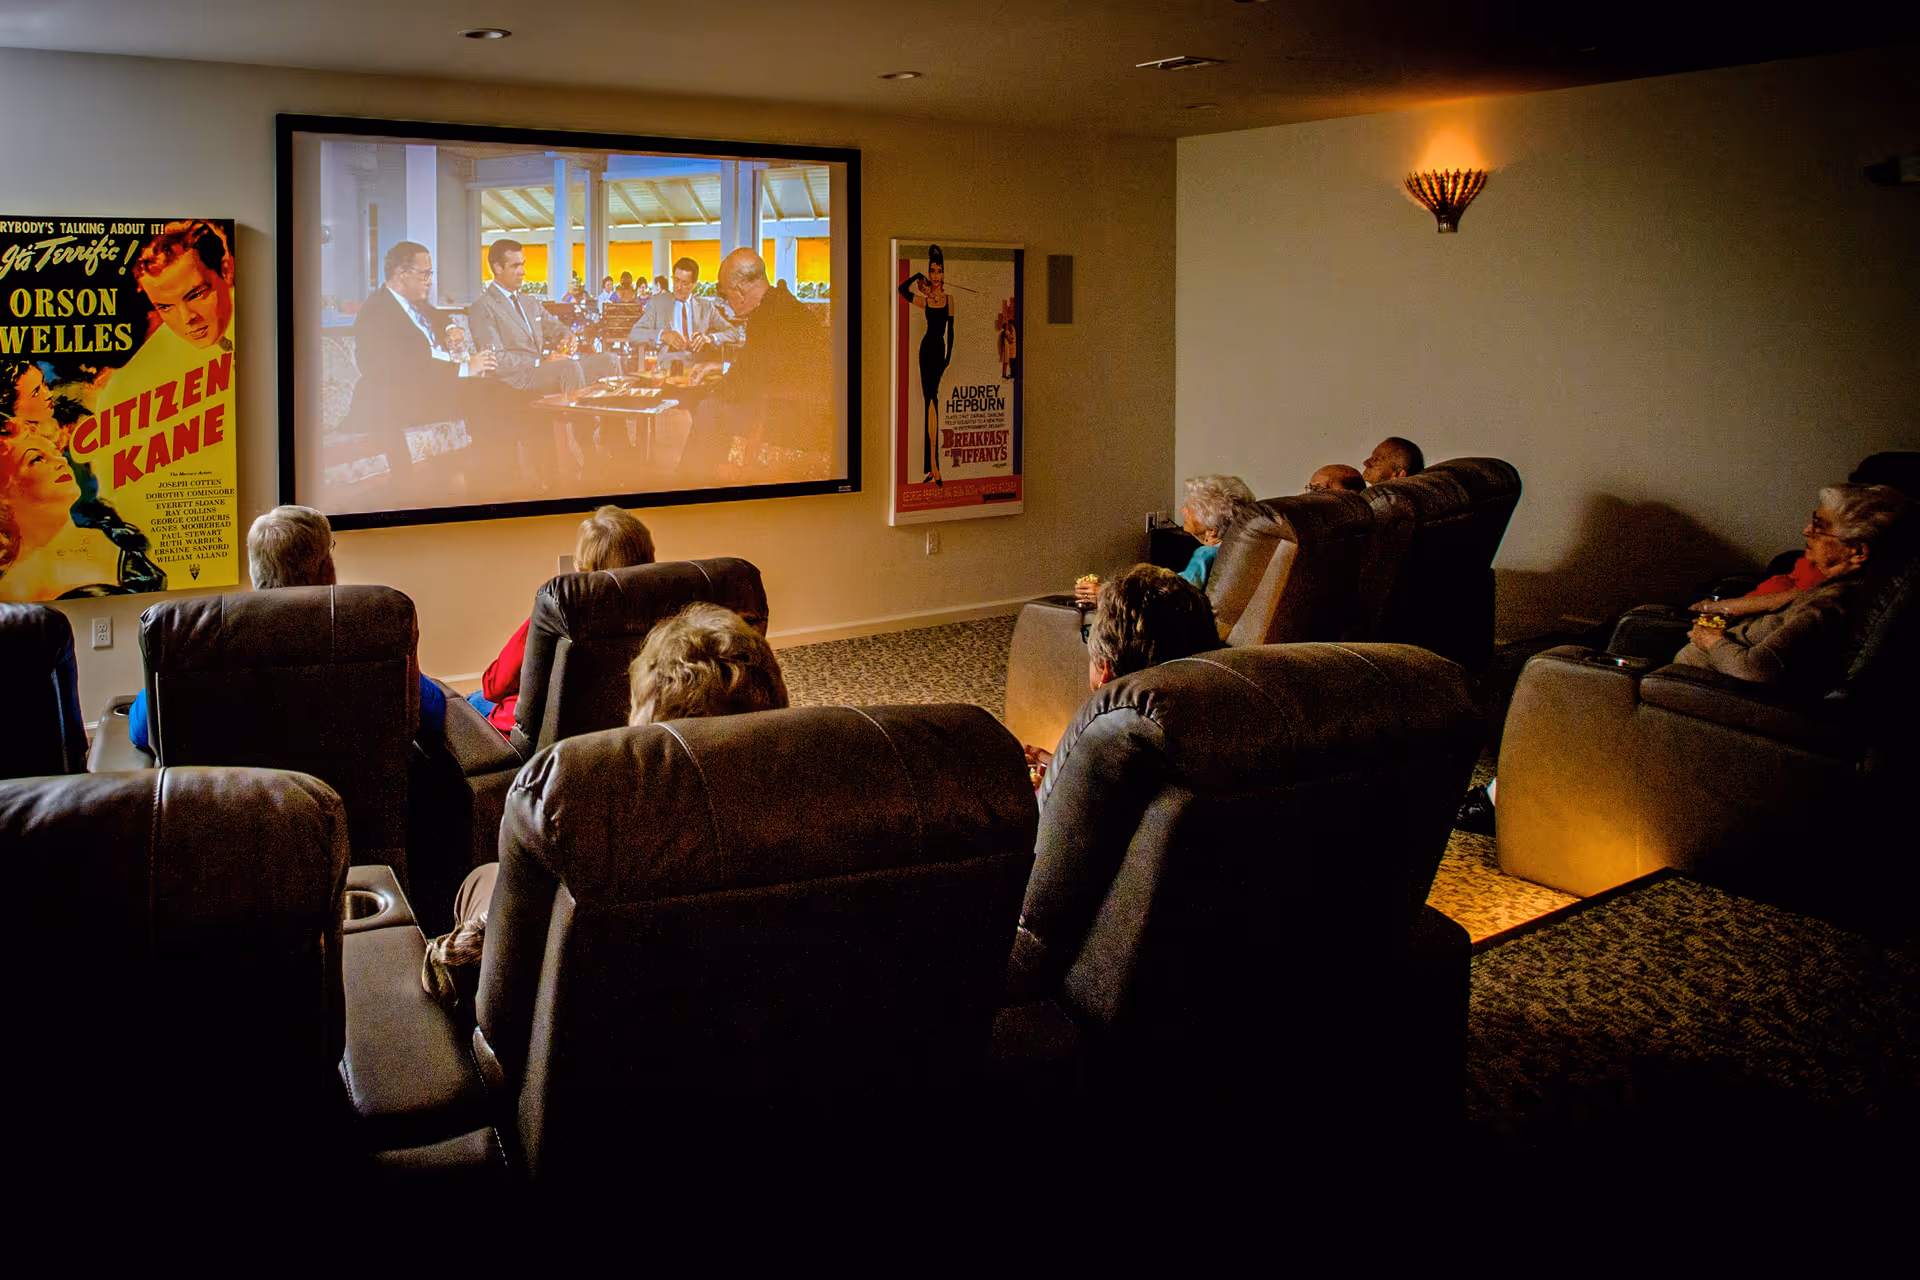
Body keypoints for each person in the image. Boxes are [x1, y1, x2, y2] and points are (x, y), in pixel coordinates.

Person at [424, 600, 788, 1013]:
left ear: (643, 722)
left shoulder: (583, 822)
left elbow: (468, 974)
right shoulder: (822, 804)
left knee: (483, 880)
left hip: (602, 1038)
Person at [123, 505, 445, 751]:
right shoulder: (373, 625)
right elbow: (431, 715)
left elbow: (142, 730)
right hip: (357, 812)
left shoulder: (196, 636)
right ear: (325, 569)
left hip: (239, 812)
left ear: (255, 569)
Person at [1676, 483, 1908, 685]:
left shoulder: (1827, 604)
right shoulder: (1828, 586)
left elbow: (1756, 670)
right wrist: (1725, 619)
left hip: (1699, 687)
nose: (1806, 531)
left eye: (1819, 527)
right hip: (1699, 666)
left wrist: (1710, 640)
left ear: (1857, 551)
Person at [468, 505, 656, 734]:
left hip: (536, 735)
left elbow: (493, 687)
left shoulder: (557, 612)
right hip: (615, 731)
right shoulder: (667, 606)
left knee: (470, 701)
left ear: (583, 566)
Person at [1024, 563, 1222, 777]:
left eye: (1088, 634)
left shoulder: (1105, 743)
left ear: (1105, 671)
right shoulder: (1216, 719)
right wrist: (1054, 765)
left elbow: (1080, 791)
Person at [342, 241, 497, 490]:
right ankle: (484, 487)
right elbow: (406, 368)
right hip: (399, 399)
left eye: (430, 273)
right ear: (401, 274)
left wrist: (451, 326)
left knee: (496, 390)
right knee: (486, 398)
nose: (429, 281)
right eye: (425, 274)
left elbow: (436, 314)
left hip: (429, 389)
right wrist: (465, 368)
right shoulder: (378, 313)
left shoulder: (412, 302)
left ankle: (488, 481)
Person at [678, 247, 830, 485]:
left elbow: (744, 380)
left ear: (739, 291)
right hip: (805, 409)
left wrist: (712, 389)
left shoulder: (765, 317)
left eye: (727, 295)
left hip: (787, 418)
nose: (728, 303)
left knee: (708, 406)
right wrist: (717, 368)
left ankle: (689, 484)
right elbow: (761, 364)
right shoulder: (787, 306)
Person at [466, 239, 620, 397]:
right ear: (498, 268)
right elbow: (494, 358)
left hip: (542, 370)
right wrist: (539, 361)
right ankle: (580, 413)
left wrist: (567, 336)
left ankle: (613, 412)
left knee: (610, 360)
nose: (522, 272)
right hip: (518, 378)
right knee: (568, 367)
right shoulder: (483, 307)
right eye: (515, 266)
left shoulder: (529, 302)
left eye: (522, 265)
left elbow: (555, 327)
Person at [897, 245, 954, 486]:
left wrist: (947, 359)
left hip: (939, 351)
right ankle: (933, 466)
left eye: (939, 270)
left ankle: (933, 466)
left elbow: (951, 333)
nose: (936, 275)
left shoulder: (949, 300)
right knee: (930, 400)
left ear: (944, 273)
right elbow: (902, 290)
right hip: (926, 350)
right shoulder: (926, 301)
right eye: (932, 271)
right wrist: (916, 277)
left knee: (933, 401)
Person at [628, 256, 743, 358]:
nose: (678, 287)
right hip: (667, 366)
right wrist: (662, 334)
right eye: (676, 280)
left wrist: (710, 338)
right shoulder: (658, 303)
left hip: (698, 366)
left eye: (685, 283)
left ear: (694, 285)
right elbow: (634, 335)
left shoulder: (706, 307)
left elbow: (733, 333)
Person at [1174, 474, 1256, 594]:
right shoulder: (1237, 549)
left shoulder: (1206, 554)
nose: (1183, 511)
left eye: (1189, 508)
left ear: (1211, 530)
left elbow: (1179, 591)